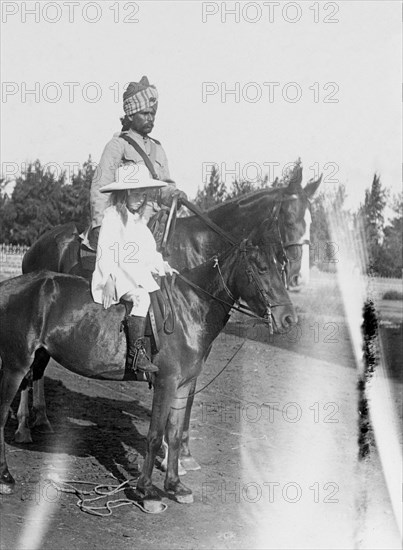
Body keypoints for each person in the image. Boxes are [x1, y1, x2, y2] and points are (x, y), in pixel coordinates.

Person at [91, 163, 175, 375]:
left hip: (133, 274)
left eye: (143, 194)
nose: (141, 198)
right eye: (136, 194)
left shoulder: (139, 222)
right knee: (142, 298)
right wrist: (108, 278)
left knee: (156, 294)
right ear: (125, 193)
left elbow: (149, 252)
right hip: (116, 275)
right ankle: (135, 355)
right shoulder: (112, 216)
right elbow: (105, 250)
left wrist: (163, 266)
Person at [86, 76, 186, 250]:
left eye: (153, 114)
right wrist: (98, 225)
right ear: (131, 115)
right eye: (145, 113)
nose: (150, 118)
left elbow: (164, 186)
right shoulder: (118, 145)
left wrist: (174, 194)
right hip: (127, 219)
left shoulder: (158, 148)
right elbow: (100, 187)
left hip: (157, 220)